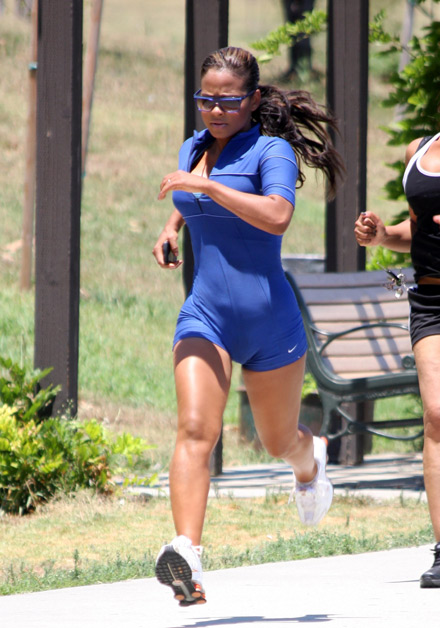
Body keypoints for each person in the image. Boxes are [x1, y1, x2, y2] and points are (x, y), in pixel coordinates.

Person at [152, 46, 344, 606]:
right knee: (194, 429)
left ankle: (311, 466)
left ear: (252, 99)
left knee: (277, 439)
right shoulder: (195, 148)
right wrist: (170, 227)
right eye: (205, 99)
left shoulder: (272, 152)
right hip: (205, 313)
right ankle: (187, 552)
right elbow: (187, 192)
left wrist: (211, 188)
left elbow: (277, 215)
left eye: (227, 101)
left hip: (269, 321)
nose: (214, 110)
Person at [354, 133, 440, 588]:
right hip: (430, 300)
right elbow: (417, 228)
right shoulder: (418, 152)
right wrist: (383, 235)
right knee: (437, 415)